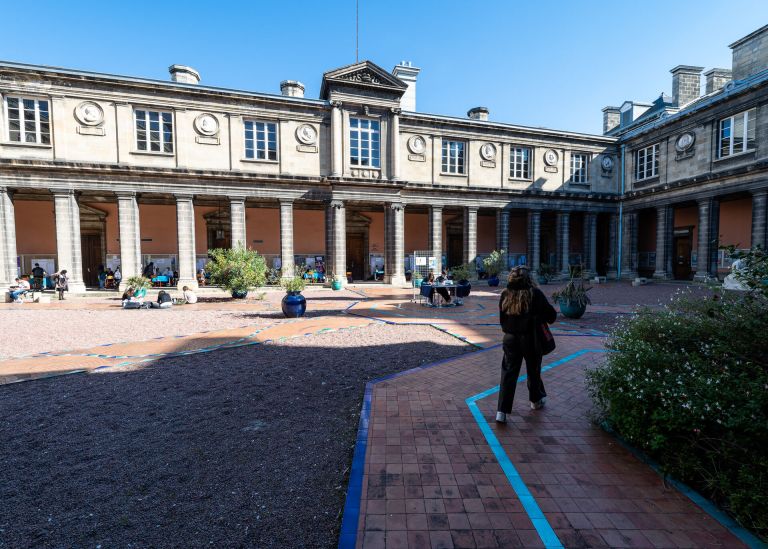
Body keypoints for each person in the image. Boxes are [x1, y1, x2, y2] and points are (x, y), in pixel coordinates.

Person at [495, 266, 557, 424]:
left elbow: (502, 322)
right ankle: (535, 401)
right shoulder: (535, 294)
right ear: (529, 279)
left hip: (510, 339)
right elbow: (551, 316)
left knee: (508, 374)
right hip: (531, 339)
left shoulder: (504, 294)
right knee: (533, 370)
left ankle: (501, 412)